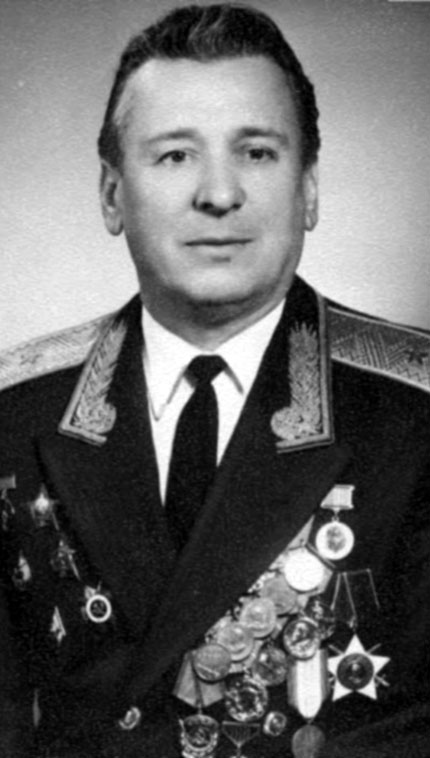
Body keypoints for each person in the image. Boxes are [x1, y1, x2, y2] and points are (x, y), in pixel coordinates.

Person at [0, 4, 429, 757]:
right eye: (175, 156)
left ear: (310, 189)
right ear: (110, 193)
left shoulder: (413, 415)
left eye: (257, 152)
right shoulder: (16, 412)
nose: (219, 193)